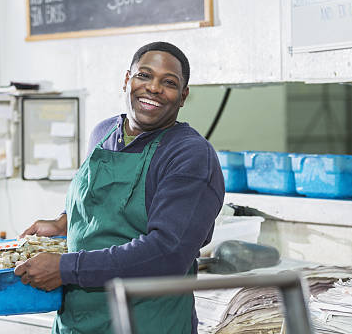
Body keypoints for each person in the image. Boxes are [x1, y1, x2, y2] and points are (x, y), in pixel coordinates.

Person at [14, 41, 226, 334]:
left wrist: (65, 268)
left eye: (169, 82)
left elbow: (167, 253)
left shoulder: (189, 155)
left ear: (183, 96)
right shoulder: (104, 133)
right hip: (79, 322)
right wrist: (63, 222)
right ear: (127, 80)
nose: (153, 88)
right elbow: (100, 201)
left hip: (146, 323)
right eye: (144, 75)